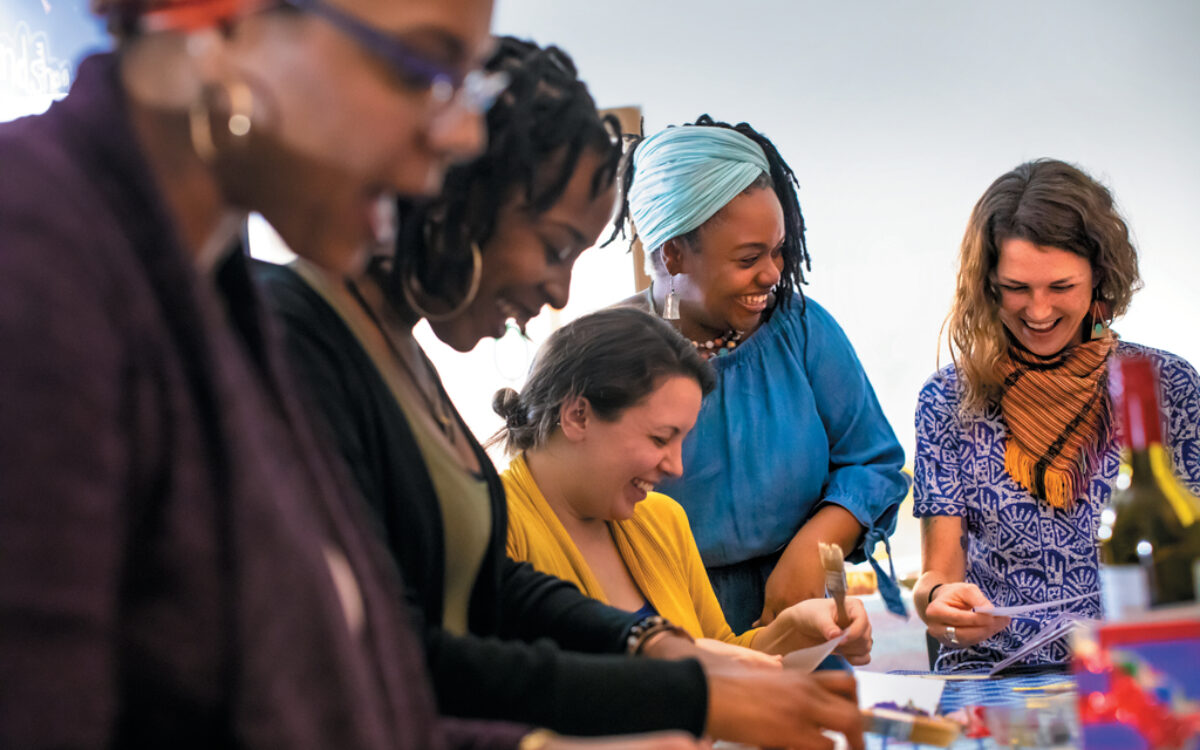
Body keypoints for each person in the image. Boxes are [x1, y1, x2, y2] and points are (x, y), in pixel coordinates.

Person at [0, 1, 702, 748]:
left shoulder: (214, 287)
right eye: (417, 68)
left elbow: (341, 686)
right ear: (227, 18)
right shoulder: (37, 256)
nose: (463, 135)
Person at [257, 38, 866, 750]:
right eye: (552, 246)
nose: (560, 290)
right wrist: (676, 693)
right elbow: (381, 644)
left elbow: (496, 590)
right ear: (462, 199)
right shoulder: (291, 339)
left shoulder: (400, 358)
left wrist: (653, 645)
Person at [614, 116, 910, 632]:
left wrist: (814, 550)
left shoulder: (802, 329)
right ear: (672, 253)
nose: (773, 274)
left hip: (804, 617)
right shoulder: (606, 355)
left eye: (778, 251)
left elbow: (873, 462)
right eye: (750, 258)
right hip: (666, 633)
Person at [913, 158, 1200, 673]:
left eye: (1060, 288)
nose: (1038, 311)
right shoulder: (947, 401)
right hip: (996, 673)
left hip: (1141, 672)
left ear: (1100, 280)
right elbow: (936, 576)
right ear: (988, 285)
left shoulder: (1165, 389)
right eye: (1017, 288)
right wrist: (941, 604)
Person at [496, 307, 875, 667]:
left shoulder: (663, 519)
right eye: (661, 439)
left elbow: (720, 651)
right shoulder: (494, 531)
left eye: (682, 440)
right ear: (578, 416)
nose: (676, 467)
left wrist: (797, 632)